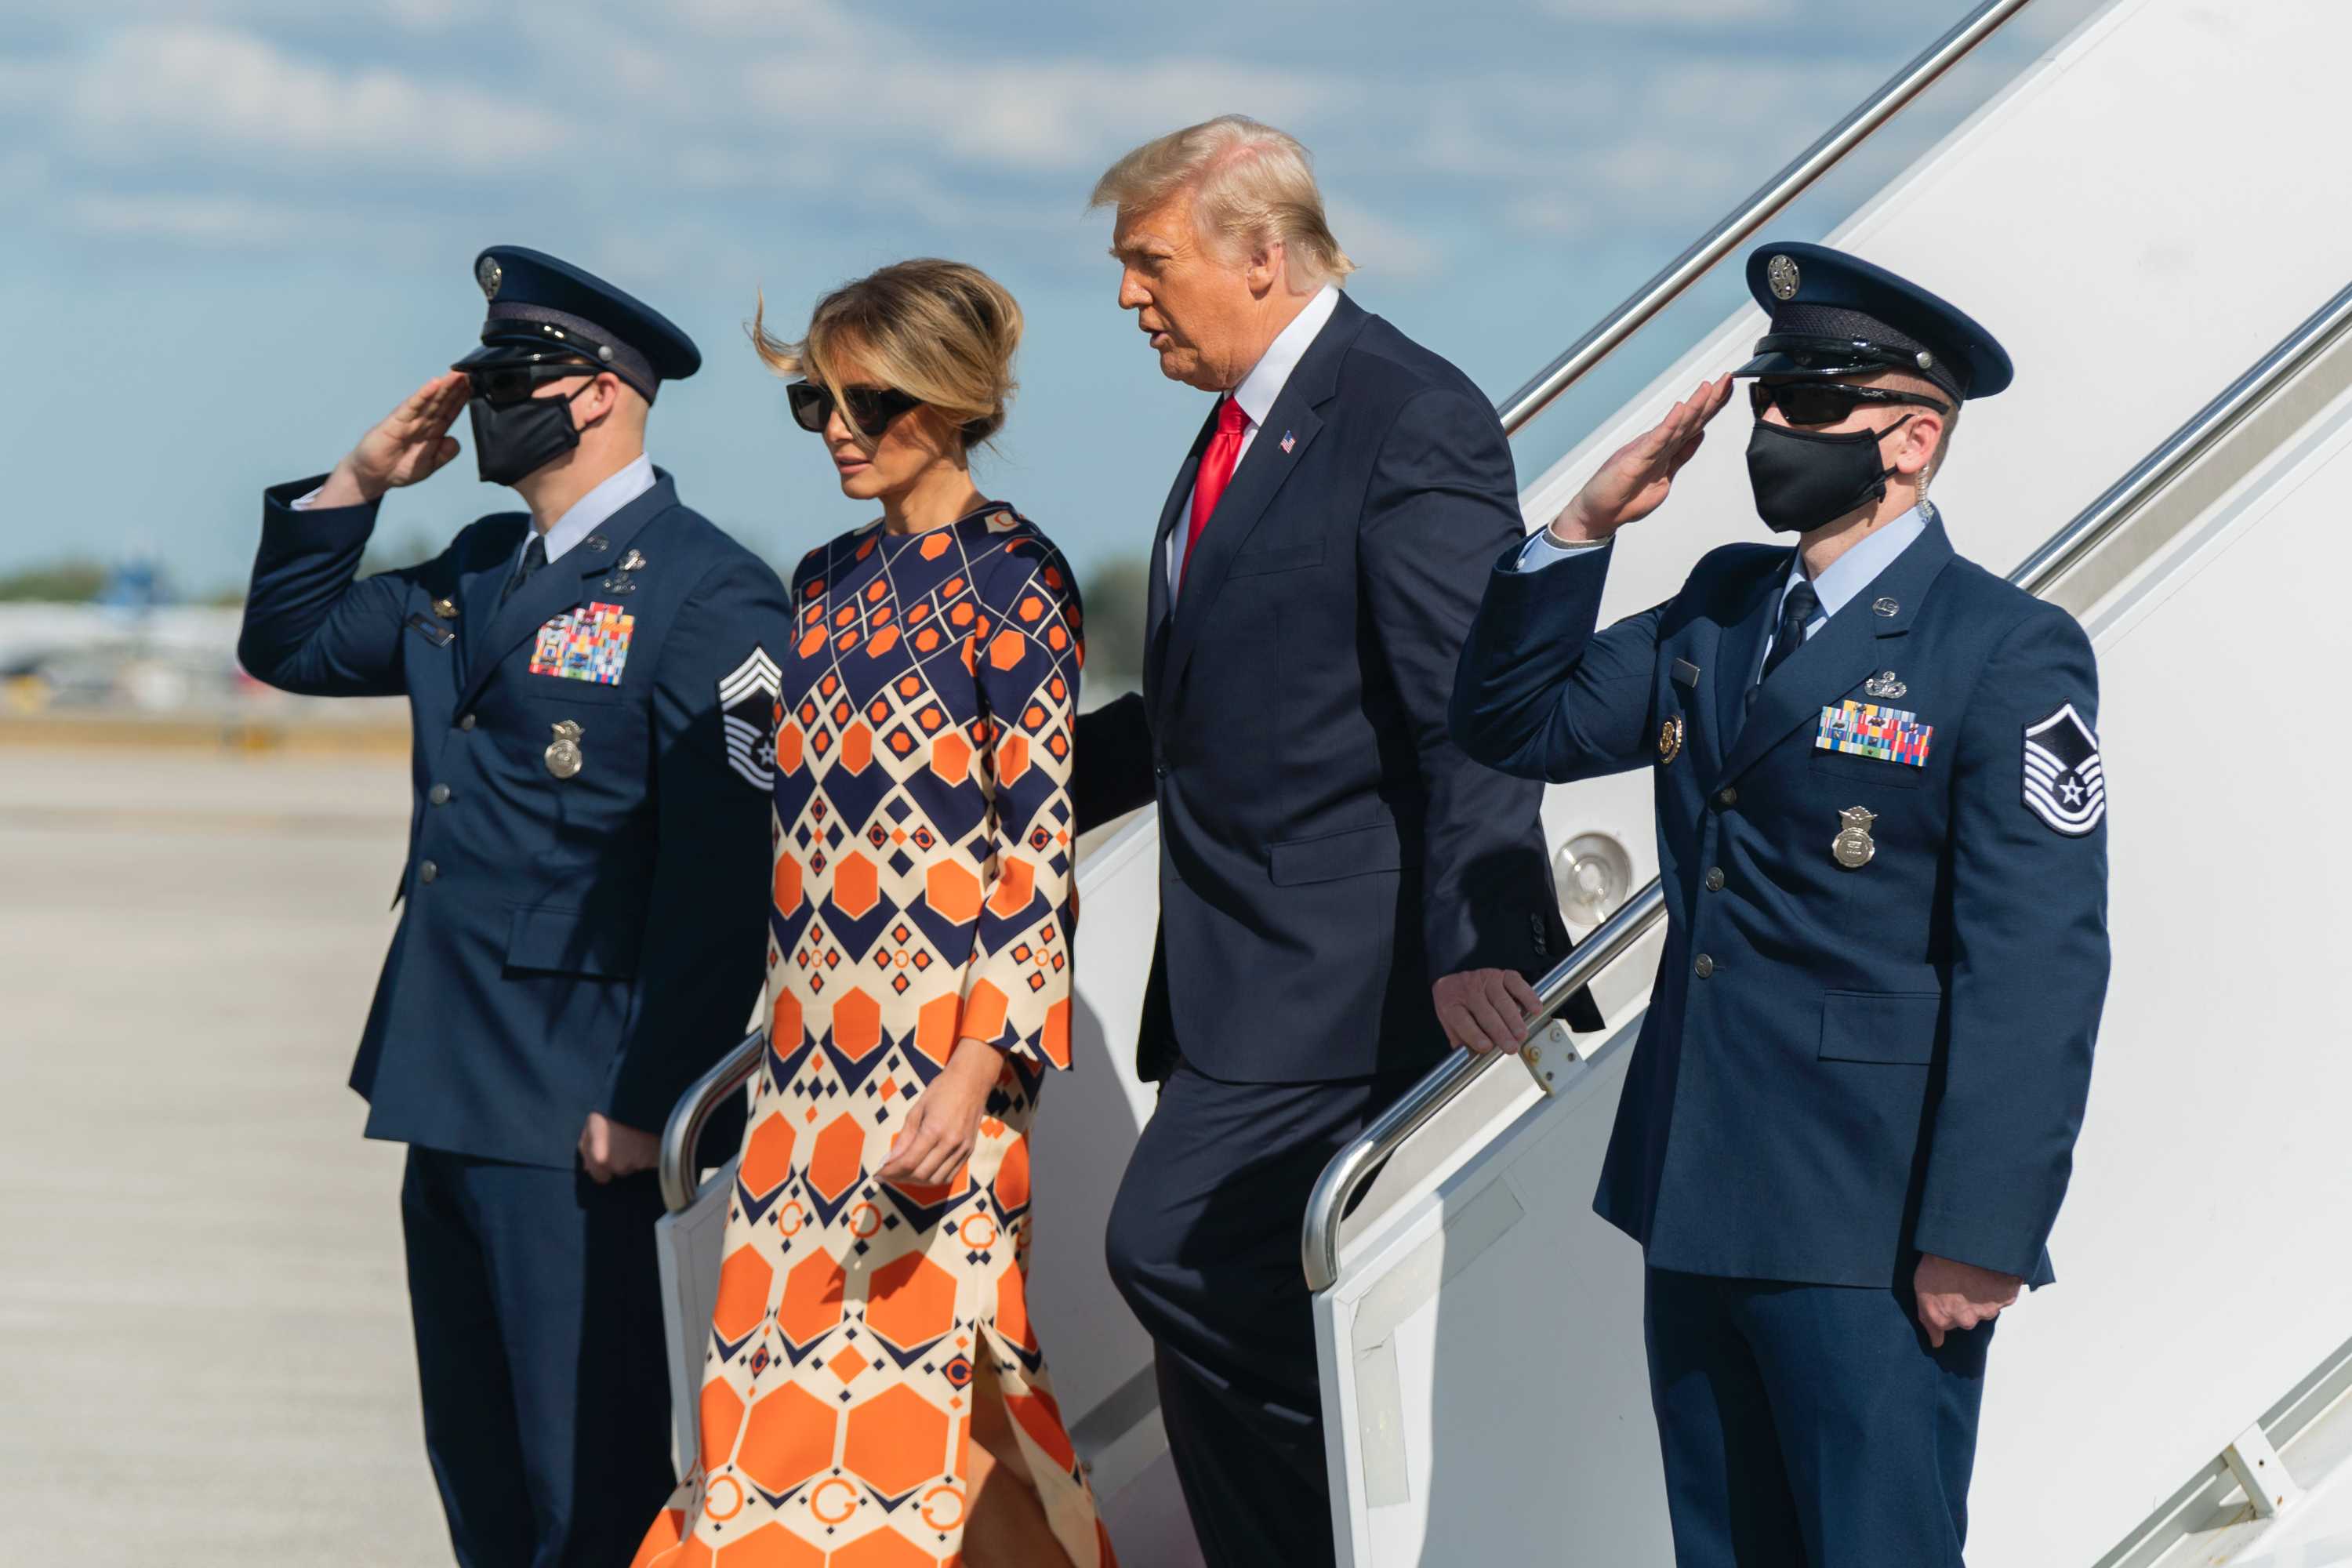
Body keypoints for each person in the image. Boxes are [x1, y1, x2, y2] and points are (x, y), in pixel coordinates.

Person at [1449, 241, 2111, 1565]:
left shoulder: (2002, 647)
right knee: (1726, 1547)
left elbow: (2035, 964)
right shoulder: (1723, 610)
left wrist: (1981, 1232)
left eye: (1808, 405)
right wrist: (1586, 525)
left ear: (1911, 440)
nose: (1769, 431)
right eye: (1765, 400)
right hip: (1698, 1184)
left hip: (1875, 1220)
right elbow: (1511, 721)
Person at [1073, 116, 1596, 1567]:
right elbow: (1199, 717)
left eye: (1149, 262)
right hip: (1241, 980)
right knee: (1201, 1345)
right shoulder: (1235, 431)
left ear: (1259, 253)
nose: (1129, 297)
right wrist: (998, 783)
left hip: (1350, 981)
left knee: (1170, 1250)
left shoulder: (1404, 415)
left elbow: (1471, 710)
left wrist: (1482, 938)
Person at [238, 246, 789, 1567]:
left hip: (582, 1112)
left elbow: (723, 884)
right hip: (448, 1082)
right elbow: (290, 646)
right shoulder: (482, 566)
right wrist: (361, 483)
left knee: (583, 1489)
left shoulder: (712, 595)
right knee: (482, 1483)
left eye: (507, 380)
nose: (480, 407)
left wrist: (659, 1101)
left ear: (597, 394)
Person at [631, 260, 1113, 1568]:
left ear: (953, 403)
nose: (837, 427)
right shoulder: (825, 581)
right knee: (804, 1406)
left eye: (868, 399)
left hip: (941, 1067)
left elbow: (1036, 848)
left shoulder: (1020, 581)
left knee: (903, 1411)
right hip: (804, 1074)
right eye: (813, 401)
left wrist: (975, 1071)